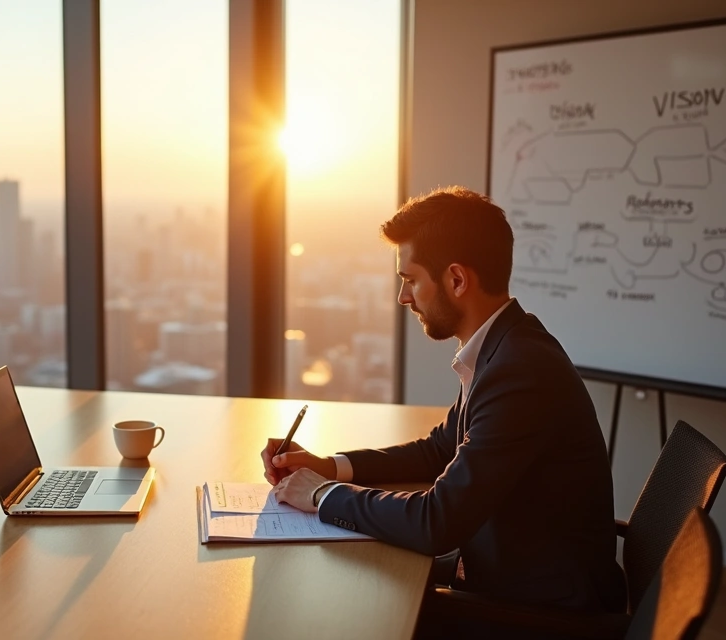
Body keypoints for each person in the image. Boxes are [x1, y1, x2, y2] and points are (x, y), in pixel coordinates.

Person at [262, 186, 626, 620]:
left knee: (352, 611)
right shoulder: (503, 346)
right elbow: (439, 450)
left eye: (411, 280)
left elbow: (437, 522)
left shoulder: (519, 369)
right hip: (511, 574)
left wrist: (322, 493)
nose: (404, 298)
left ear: (456, 279)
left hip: (544, 615)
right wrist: (329, 465)